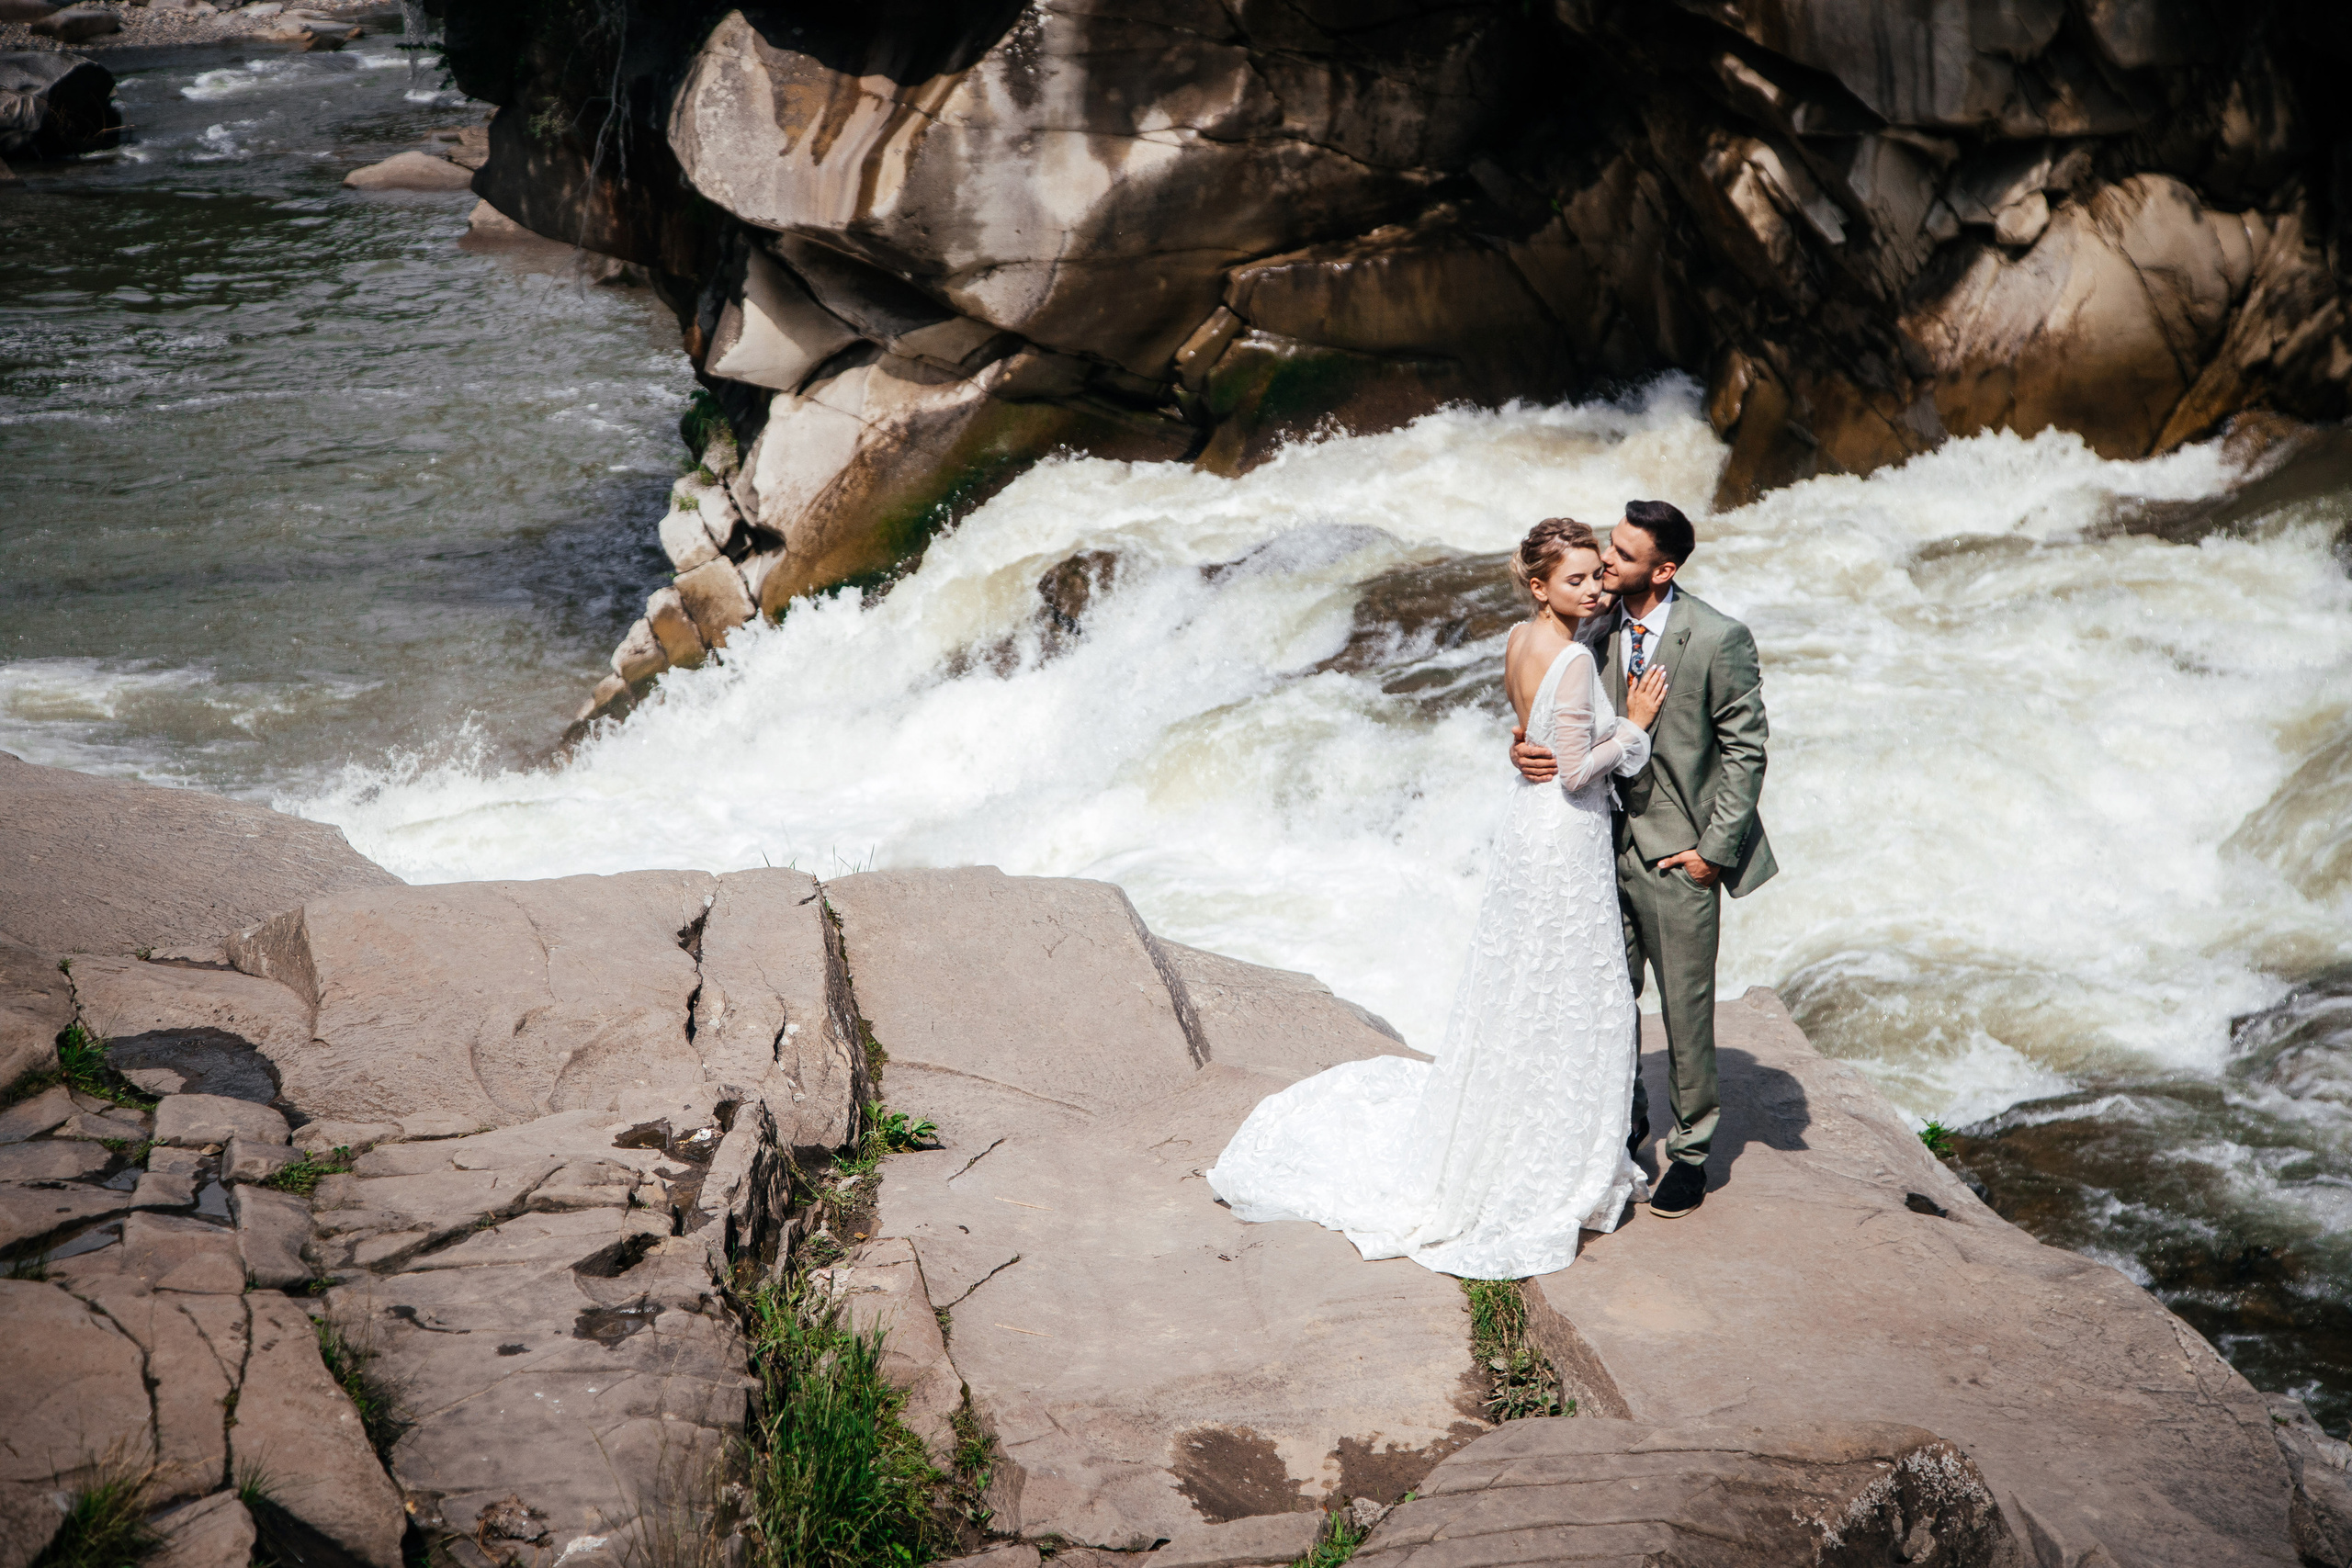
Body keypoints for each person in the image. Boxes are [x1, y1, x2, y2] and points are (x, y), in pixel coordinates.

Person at [1206, 519, 1669, 1278]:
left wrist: (1541, 744)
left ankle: (1513, 1123)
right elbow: (1581, 770)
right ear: (1540, 584)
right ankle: (1547, 1153)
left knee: (1523, 978)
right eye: (1579, 579)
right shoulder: (1579, 658)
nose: (1594, 588)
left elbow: (1531, 732)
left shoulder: (1519, 641)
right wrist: (1637, 727)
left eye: (1597, 576)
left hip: (1528, 828)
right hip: (1565, 831)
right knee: (1571, 984)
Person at [1510, 500, 1775, 1220]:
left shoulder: (1718, 637)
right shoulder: (1590, 623)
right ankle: (1621, 1133)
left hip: (1677, 857)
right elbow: (1551, 714)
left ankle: (1691, 1155)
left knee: (1684, 1011)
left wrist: (1712, 856)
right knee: (1607, 1001)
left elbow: (1746, 750)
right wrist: (1522, 744)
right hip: (1595, 844)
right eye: (1605, 554)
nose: (1604, 568)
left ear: (1665, 569)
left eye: (1622, 558)